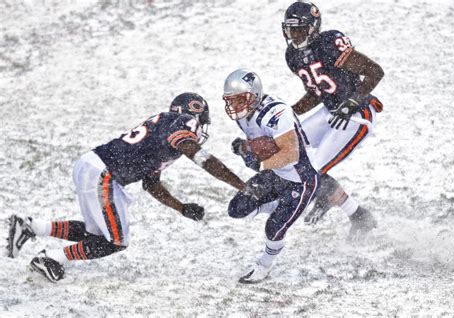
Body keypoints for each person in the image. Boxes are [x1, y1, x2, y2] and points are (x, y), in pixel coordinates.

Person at [7, 92, 256, 282]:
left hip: (93, 166)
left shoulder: (163, 130)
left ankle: (32, 226)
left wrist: (181, 207)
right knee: (116, 241)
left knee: (97, 236)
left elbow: (151, 184)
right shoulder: (184, 122)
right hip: (104, 173)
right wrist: (241, 185)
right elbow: (202, 158)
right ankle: (51, 259)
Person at [281, 1, 384, 239]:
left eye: (300, 28)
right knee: (290, 149)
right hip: (330, 111)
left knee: (311, 170)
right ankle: (353, 212)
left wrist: (352, 102)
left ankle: (357, 215)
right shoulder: (293, 55)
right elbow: (318, 91)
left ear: (314, 27)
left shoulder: (329, 44)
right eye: (290, 29)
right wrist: (289, 112)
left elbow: (374, 71)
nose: (294, 34)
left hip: (357, 113)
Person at [223, 69, 320, 283]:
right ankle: (278, 204)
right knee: (237, 209)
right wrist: (246, 147)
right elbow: (261, 143)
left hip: (300, 178)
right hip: (276, 173)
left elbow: (291, 153)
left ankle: (263, 266)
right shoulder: (244, 116)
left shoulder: (276, 113)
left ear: (254, 95)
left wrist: (260, 162)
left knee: (274, 229)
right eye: (231, 101)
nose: (236, 106)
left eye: (241, 99)